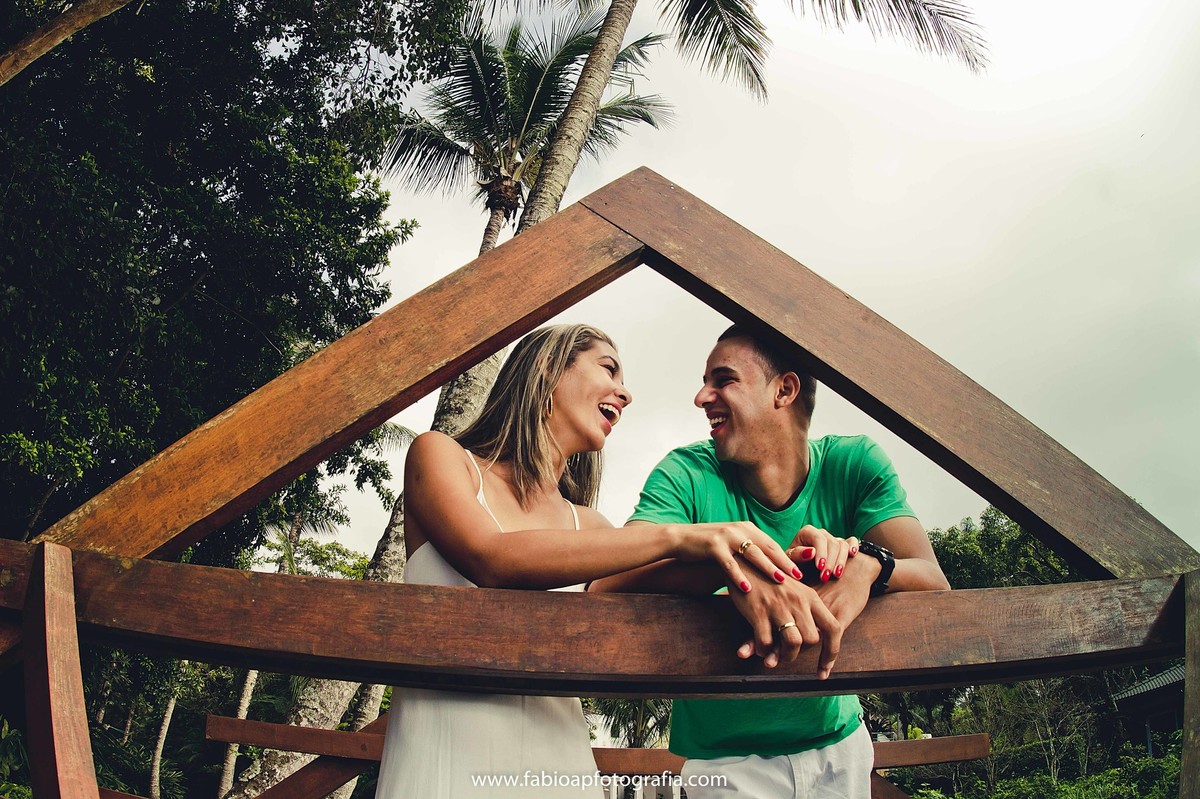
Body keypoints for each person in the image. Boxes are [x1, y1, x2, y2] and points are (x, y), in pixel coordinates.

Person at [375, 323, 808, 798]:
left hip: (558, 768)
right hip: (445, 761)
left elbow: (668, 582)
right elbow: (490, 558)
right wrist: (683, 535)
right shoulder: (442, 456)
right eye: (608, 368)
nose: (625, 393)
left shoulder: (592, 529)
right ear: (547, 369)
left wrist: (759, 563)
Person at [592, 323, 950, 799]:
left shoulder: (855, 463)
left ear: (784, 389)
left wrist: (868, 565)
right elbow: (607, 583)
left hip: (840, 747)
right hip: (725, 761)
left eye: (724, 380)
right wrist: (740, 565)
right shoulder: (685, 473)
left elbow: (933, 580)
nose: (702, 397)